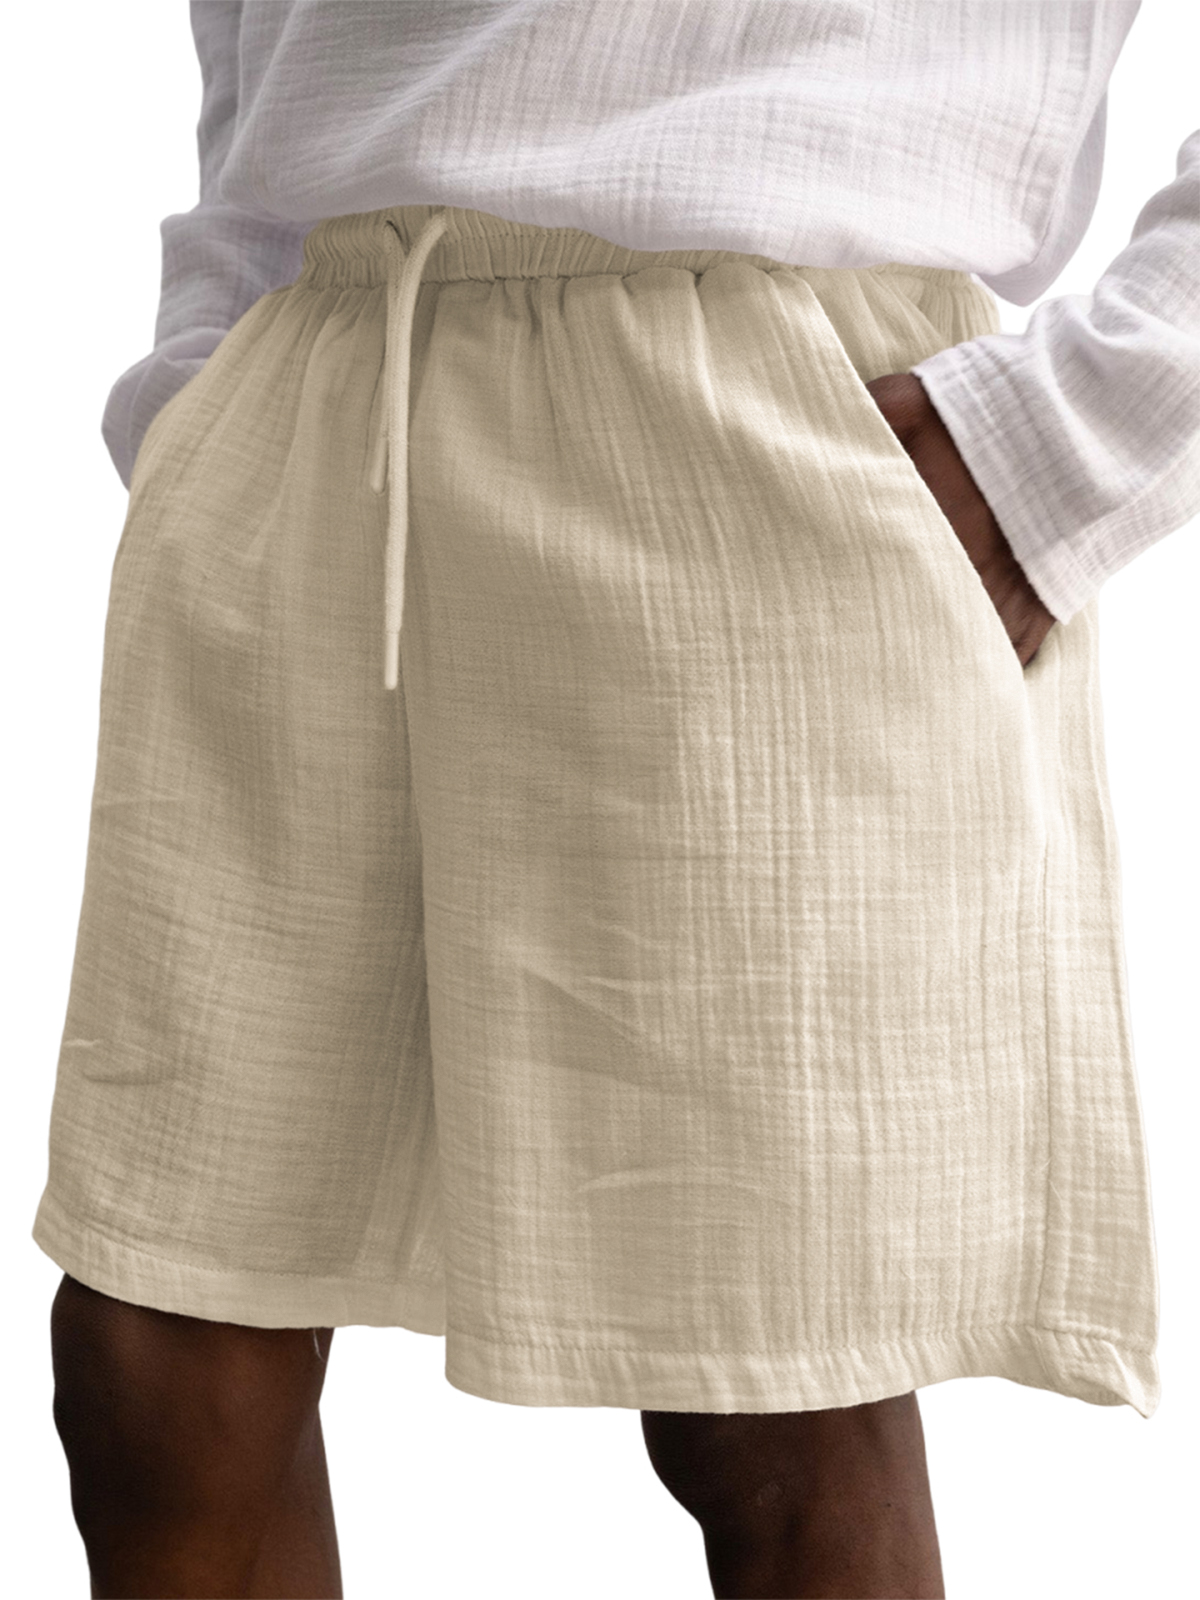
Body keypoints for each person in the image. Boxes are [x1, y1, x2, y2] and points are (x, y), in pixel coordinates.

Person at [34, 3, 1198, 1597]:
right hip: (324, 388)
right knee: (163, 1344)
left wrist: (1075, 436)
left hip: (762, 414)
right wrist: (203, 396)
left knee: (774, 1387)